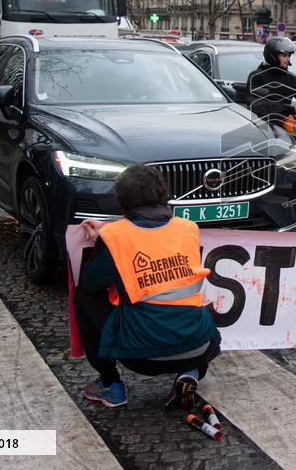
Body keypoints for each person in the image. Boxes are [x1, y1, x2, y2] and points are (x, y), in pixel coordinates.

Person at [75, 164, 221, 409]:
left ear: (122, 199)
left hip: (143, 356)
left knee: (84, 295)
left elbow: (92, 283)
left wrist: (103, 238)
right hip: (200, 346)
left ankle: (111, 385)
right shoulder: (187, 228)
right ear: (162, 193)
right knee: (187, 309)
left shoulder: (116, 237)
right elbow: (151, 233)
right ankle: (190, 371)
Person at [247, 36, 296, 124]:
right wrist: (284, 109)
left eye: (289, 55)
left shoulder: (292, 79)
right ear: (272, 56)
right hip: (267, 125)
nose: (288, 59)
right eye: (284, 55)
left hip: (292, 123)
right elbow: (255, 104)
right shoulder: (257, 77)